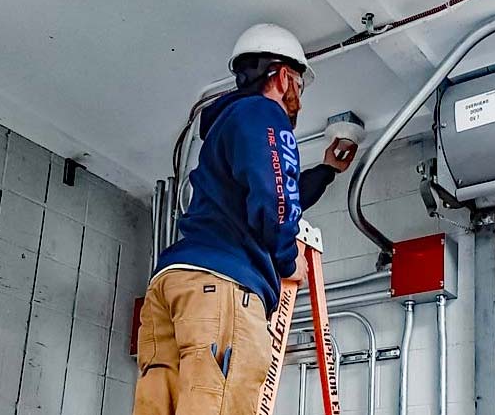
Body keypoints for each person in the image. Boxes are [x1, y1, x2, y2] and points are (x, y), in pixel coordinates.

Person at [133, 24, 358, 415]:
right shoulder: (264, 113)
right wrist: (289, 261)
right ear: (283, 76)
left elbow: (269, 193)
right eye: (299, 87)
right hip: (222, 286)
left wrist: (325, 171)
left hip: (174, 283)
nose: (298, 102)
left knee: (158, 406)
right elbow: (276, 203)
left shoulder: (229, 126)